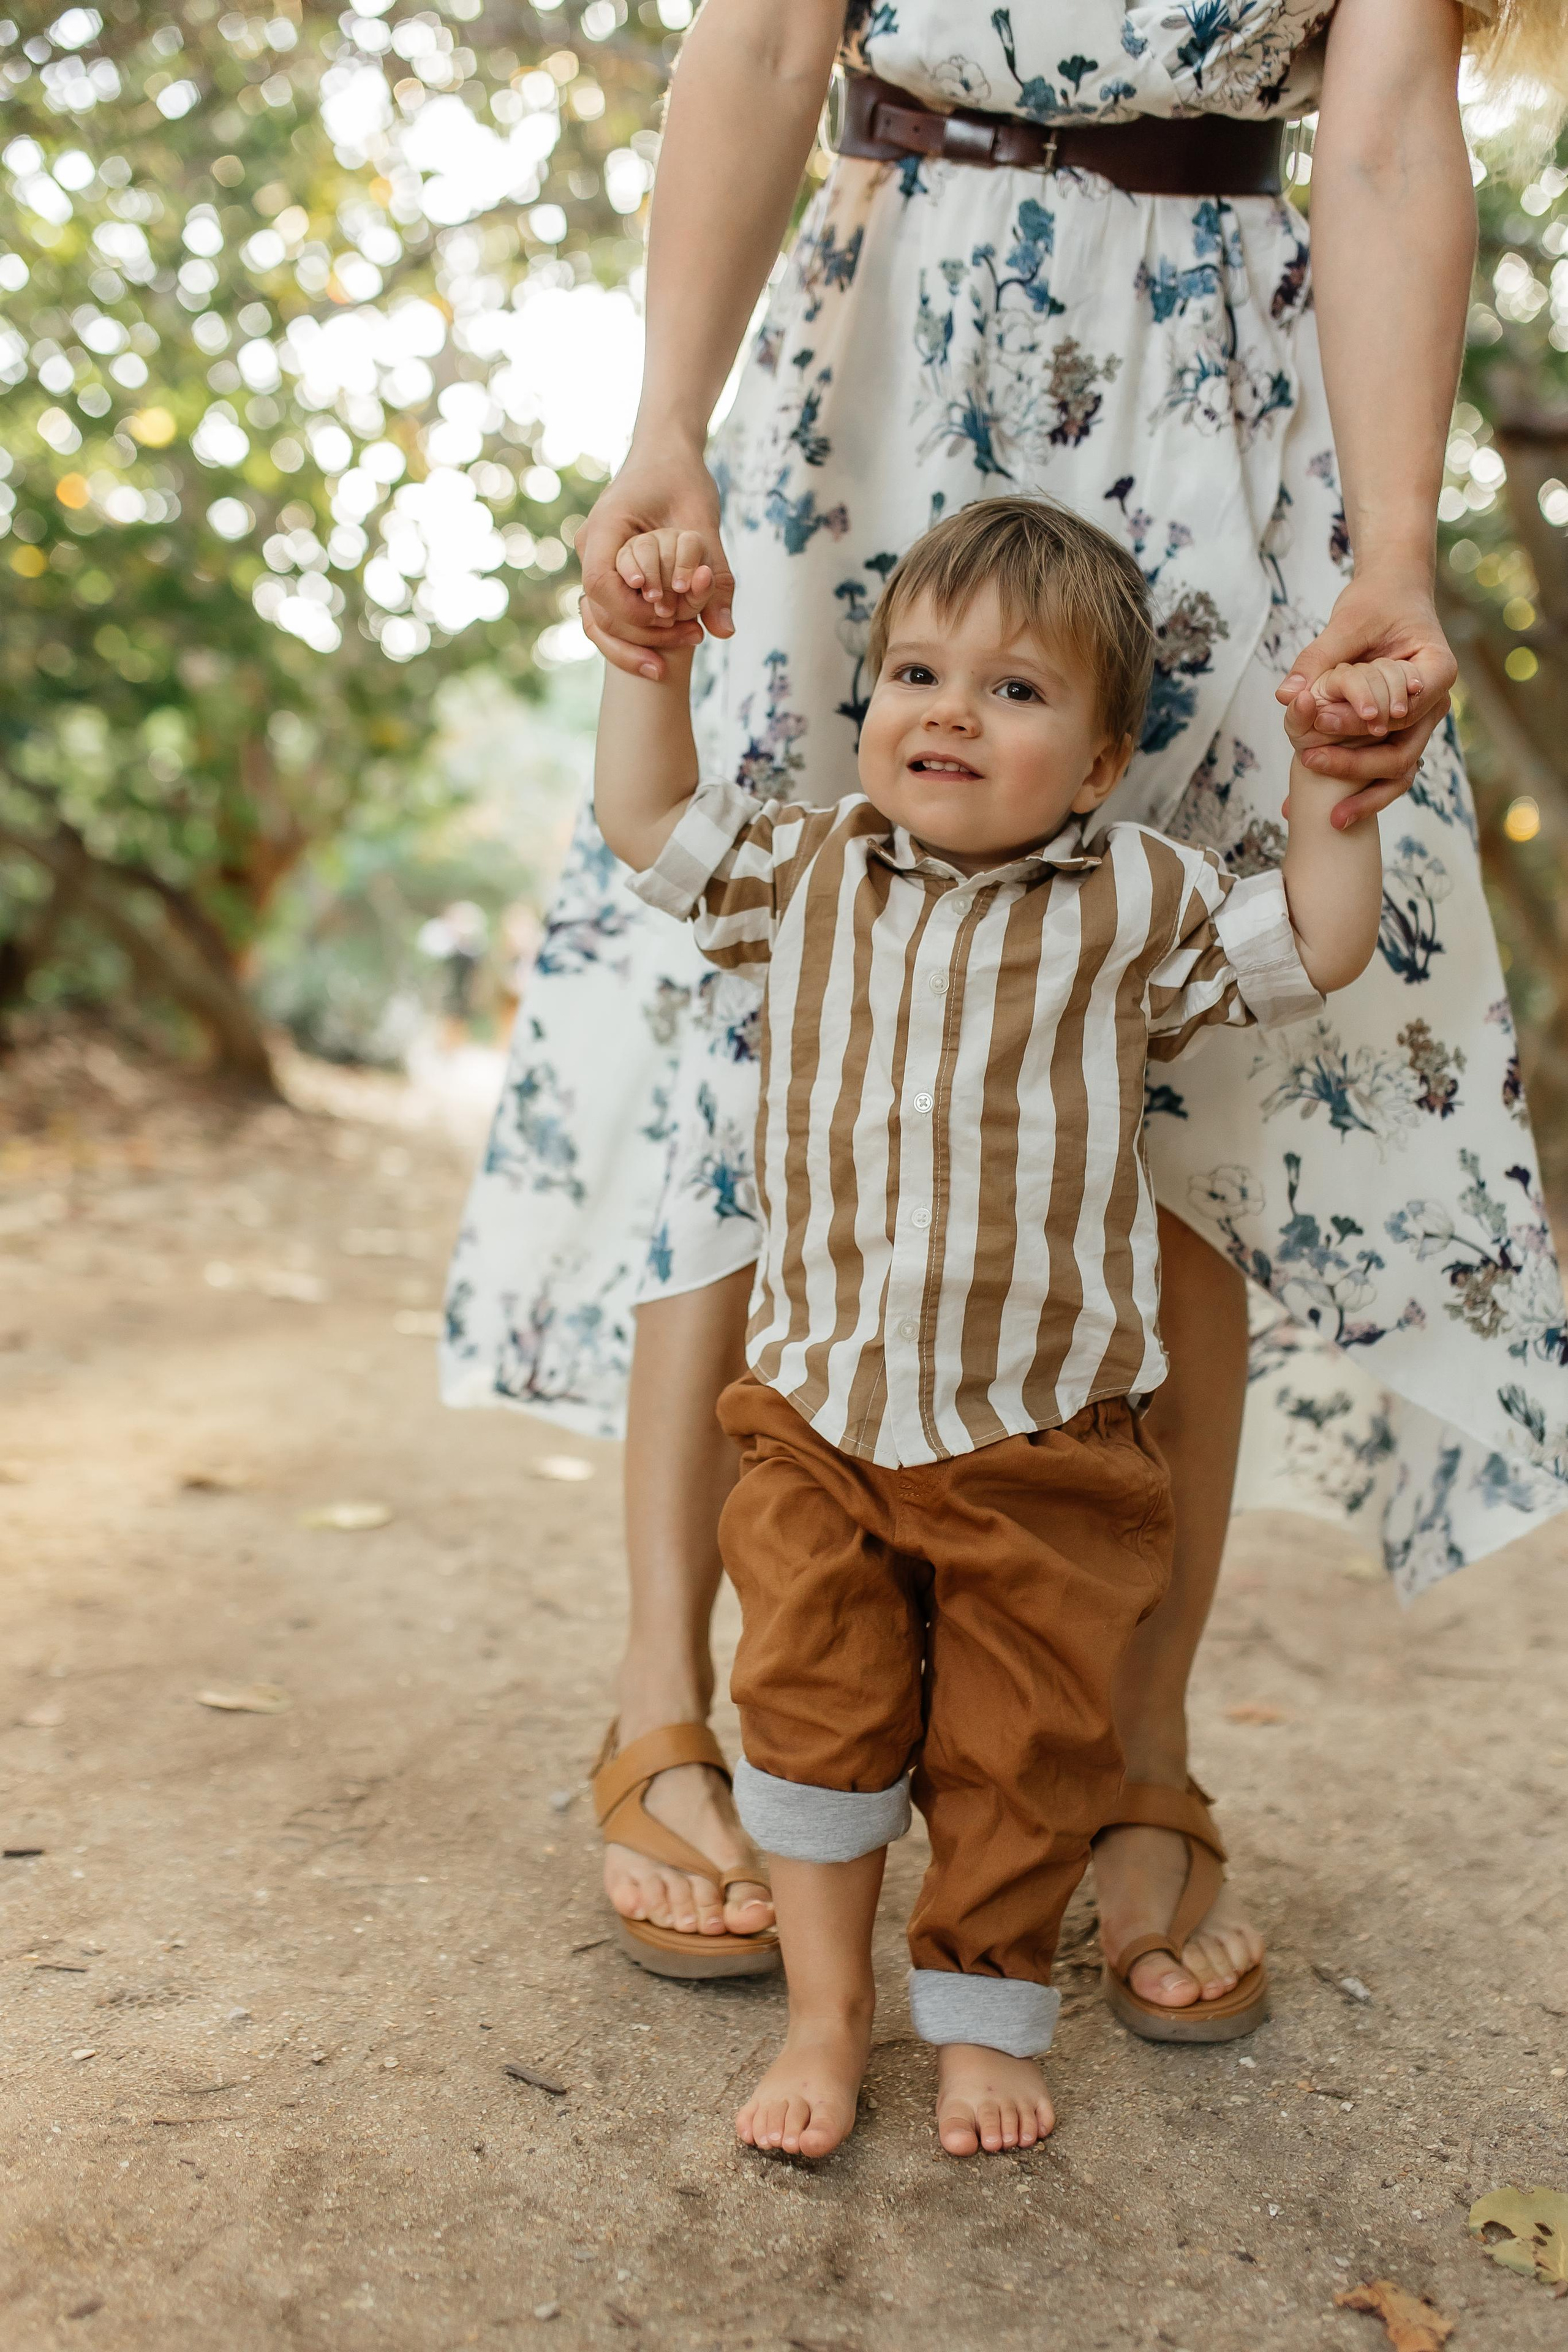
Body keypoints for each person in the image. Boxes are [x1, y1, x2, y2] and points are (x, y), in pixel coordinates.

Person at [442, 0, 1568, 2010]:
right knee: (758, 1012)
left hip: (1223, 385)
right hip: (876, 346)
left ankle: (1133, 1749)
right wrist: (667, 425)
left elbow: (1389, 125)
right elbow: (770, 43)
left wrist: (1395, 545)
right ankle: (665, 1706)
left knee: (1191, 1089)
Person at [593, 495, 1384, 2156]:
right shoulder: (801, 869)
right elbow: (648, 816)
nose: (947, 710)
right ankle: (829, 2012)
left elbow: (1312, 945)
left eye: (1017, 693)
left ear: (1101, 766)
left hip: (1048, 1440)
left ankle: (985, 2012)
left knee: (1026, 1746)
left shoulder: (1136, 899)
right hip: (817, 1413)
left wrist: (1333, 794)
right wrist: (647, 661)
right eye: (915, 673)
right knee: (810, 1710)